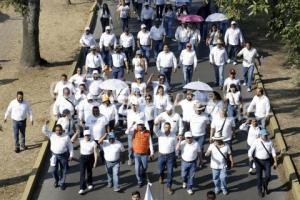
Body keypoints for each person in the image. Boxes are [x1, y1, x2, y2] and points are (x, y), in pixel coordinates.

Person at [42, 121, 74, 190]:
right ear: (55, 130)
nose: (58, 132)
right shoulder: (52, 135)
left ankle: (62, 183)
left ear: (62, 130)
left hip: (63, 156)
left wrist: (71, 155)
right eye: (56, 130)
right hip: (54, 155)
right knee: (53, 170)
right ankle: (57, 180)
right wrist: (45, 124)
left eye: (59, 130)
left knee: (63, 170)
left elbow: (70, 146)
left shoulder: (66, 136)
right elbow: (44, 131)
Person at [248, 129, 277, 197]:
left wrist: (275, 162)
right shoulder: (256, 141)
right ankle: (260, 190)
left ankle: (265, 185)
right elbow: (250, 150)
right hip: (258, 161)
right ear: (260, 136)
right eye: (264, 135)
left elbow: (273, 152)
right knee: (259, 177)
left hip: (267, 161)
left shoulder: (270, 142)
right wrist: (250, 157)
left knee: (268, 176)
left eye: (266, 135)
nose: (266, 136)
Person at [71, 130, 98, 195]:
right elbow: (71, 140)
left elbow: (95, 153)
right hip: (83, 157)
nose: (87, 136)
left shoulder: (93, 142)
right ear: (84, 135)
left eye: (88, 135)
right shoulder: (81, 140)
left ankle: (90, 183)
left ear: (90, 136)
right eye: (85, 135)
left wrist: (95, 162)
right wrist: (76, 133)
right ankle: (81, 188)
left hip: (90, 157)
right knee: (82, 173)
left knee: (89, 171)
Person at [153, 122, 176, 195]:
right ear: (163, 128)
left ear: (170, 128)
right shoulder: (160, 134)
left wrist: (176, 155)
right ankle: (161, 176)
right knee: (160, 170)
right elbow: (155, 130)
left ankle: (169, 187)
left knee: (170, 172)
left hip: (170, 156)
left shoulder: (173, 135)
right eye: (165, 127)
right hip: (161, 155)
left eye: (168, 127)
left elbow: (175, 146)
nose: (167, 128)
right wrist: (156, 124)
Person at [132, 120, 154, 187]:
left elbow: (150, 143)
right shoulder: (134, 131)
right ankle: (139, 181)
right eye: (139, 125)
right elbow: (126, 131)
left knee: (145, 167)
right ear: (137, 125)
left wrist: (152, 152)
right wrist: (132, 124)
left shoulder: (148, 132)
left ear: (144, 125)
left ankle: (143, 172)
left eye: (141, 125)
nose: (140, 126)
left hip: (144, 154)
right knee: (137, 169)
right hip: (136, 154)